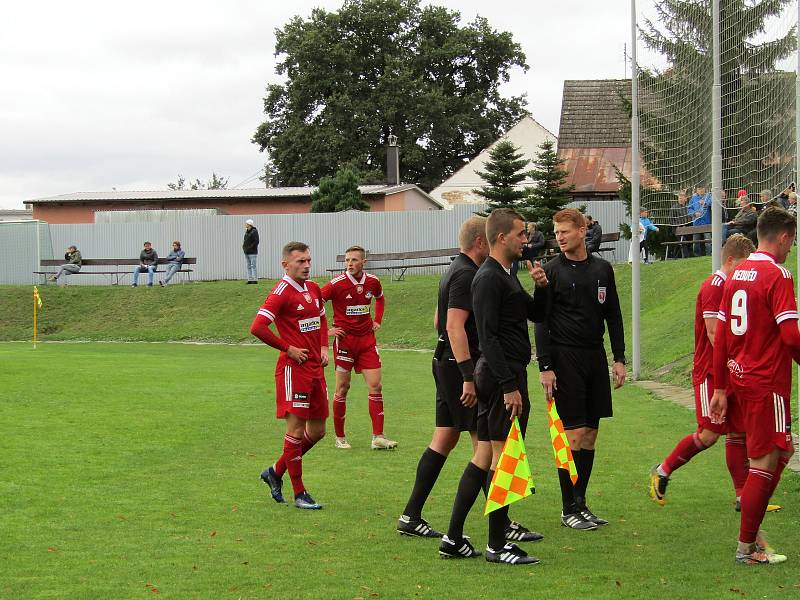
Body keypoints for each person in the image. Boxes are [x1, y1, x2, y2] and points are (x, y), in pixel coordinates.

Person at [395, 216, 542, 554]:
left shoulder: (458, 270)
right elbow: (452, 325)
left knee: (448, 438)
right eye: (519, 234)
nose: (524, 240)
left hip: (454, 361)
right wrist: (467, 374)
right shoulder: (469, 274)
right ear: (484, 241)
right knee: (488, 450)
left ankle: (415, 516)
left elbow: (437, 320)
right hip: (464, 366)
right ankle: (495, 532)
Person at [710, 207, 800, 565]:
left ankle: (752, 527)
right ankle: (748, 546)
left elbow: (722, 340)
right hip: (767, 383)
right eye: (791, 240)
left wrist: (720, 387)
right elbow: (791, 336)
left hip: (741, 379)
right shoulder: (777, 274)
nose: (791, 247)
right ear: (783, 237)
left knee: (782, 451)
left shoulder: (736, 274)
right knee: (765, 460)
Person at [534, 208, 626, 531]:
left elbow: (613, 315)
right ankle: (566, 507)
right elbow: (541, 320)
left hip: (594, 358)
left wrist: (619, 357)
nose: (559, 237)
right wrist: (545, 365)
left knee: (589, 436)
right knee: (571, 435)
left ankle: (581, 502)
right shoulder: (550, 272)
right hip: (564, 359)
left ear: (582, 230)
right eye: (556, 232)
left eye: (565, 231)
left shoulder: (602, 269)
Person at [649, 235, 756, 509]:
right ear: (730, 260)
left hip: (729, 371)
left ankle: (743, 496)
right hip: (710, 373)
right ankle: (662, 470)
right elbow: (713, 333)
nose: (746, 271)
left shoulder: (733, 285)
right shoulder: (714, 286)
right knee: (709, 434)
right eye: (743, 265)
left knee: (737, 433)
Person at [471, 207, 549, 565]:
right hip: (503, 377)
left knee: (501, 457)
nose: (525, 239)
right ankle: (496, 545)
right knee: (505, 459)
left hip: (512, 374)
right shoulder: (488, 277)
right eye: (520, 233)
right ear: (501, 237)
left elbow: (535, 314)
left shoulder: (507, 273)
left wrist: (542, 288)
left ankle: (498, 540)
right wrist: (507, 385)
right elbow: (487, 337)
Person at [252, 241, 329, 510]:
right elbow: (258, 327)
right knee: (295, 431)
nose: (307, 265)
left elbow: (321, 319)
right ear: (286, 265)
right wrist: (288, 348)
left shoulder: (314, 289)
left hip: (315, 370)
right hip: (292, 370)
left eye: (308, 260)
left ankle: (275, 471)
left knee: (318, 431)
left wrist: (322, 346)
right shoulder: (281, 292)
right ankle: (299, 493)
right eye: (300, 262)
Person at [321, 246, 397, 450]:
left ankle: (378, 437)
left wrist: (377, 320)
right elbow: (315, 303)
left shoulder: (373, 281)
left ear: (364, 262)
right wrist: (327, 330)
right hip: (345, 342)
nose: (350, 263)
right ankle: (340, 437)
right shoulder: (336, 284)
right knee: (342, 388)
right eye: (347, 260)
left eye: (354, 260)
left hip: (367, 342)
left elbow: (380, 298)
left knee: (376, 385)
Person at [688, 184, 711, 256]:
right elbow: (689, 209)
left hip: (706, 223)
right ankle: (697, 256)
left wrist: (705, 203)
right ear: (696, 190)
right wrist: (694, 214)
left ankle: (709, 255)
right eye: (699, 189)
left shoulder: (708, 196)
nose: (701, 190)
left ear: (705, 189)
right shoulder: (693, 198)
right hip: (696, 223)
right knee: (696, 242)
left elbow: (713, 203)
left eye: (702, 188)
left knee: (708, 241)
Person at [669, 191, 691, 258]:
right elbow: (671, 220)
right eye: (679, 198)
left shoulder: (688, 207)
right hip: (677, 229)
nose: (680, 199)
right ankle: (686, 257)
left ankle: (674, 256)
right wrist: (678, 226)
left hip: (688, 228)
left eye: (682, 198)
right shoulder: (674, 208)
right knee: (683, 241)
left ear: (685, 199)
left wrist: (686, 224)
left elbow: (690, 217)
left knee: (683, 242)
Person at [243, 219, 259, 284]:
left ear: (249, 224)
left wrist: (250, 248)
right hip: (246, 252)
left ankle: (255, 280)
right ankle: (249, 279)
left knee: (253, 266)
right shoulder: (247, 231)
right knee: (248, 266)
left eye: (246, 223)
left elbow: (256, 241)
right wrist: (244, 247)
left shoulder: (254, 231)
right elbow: (245, 241)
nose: (245, 224)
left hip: (252, 252)